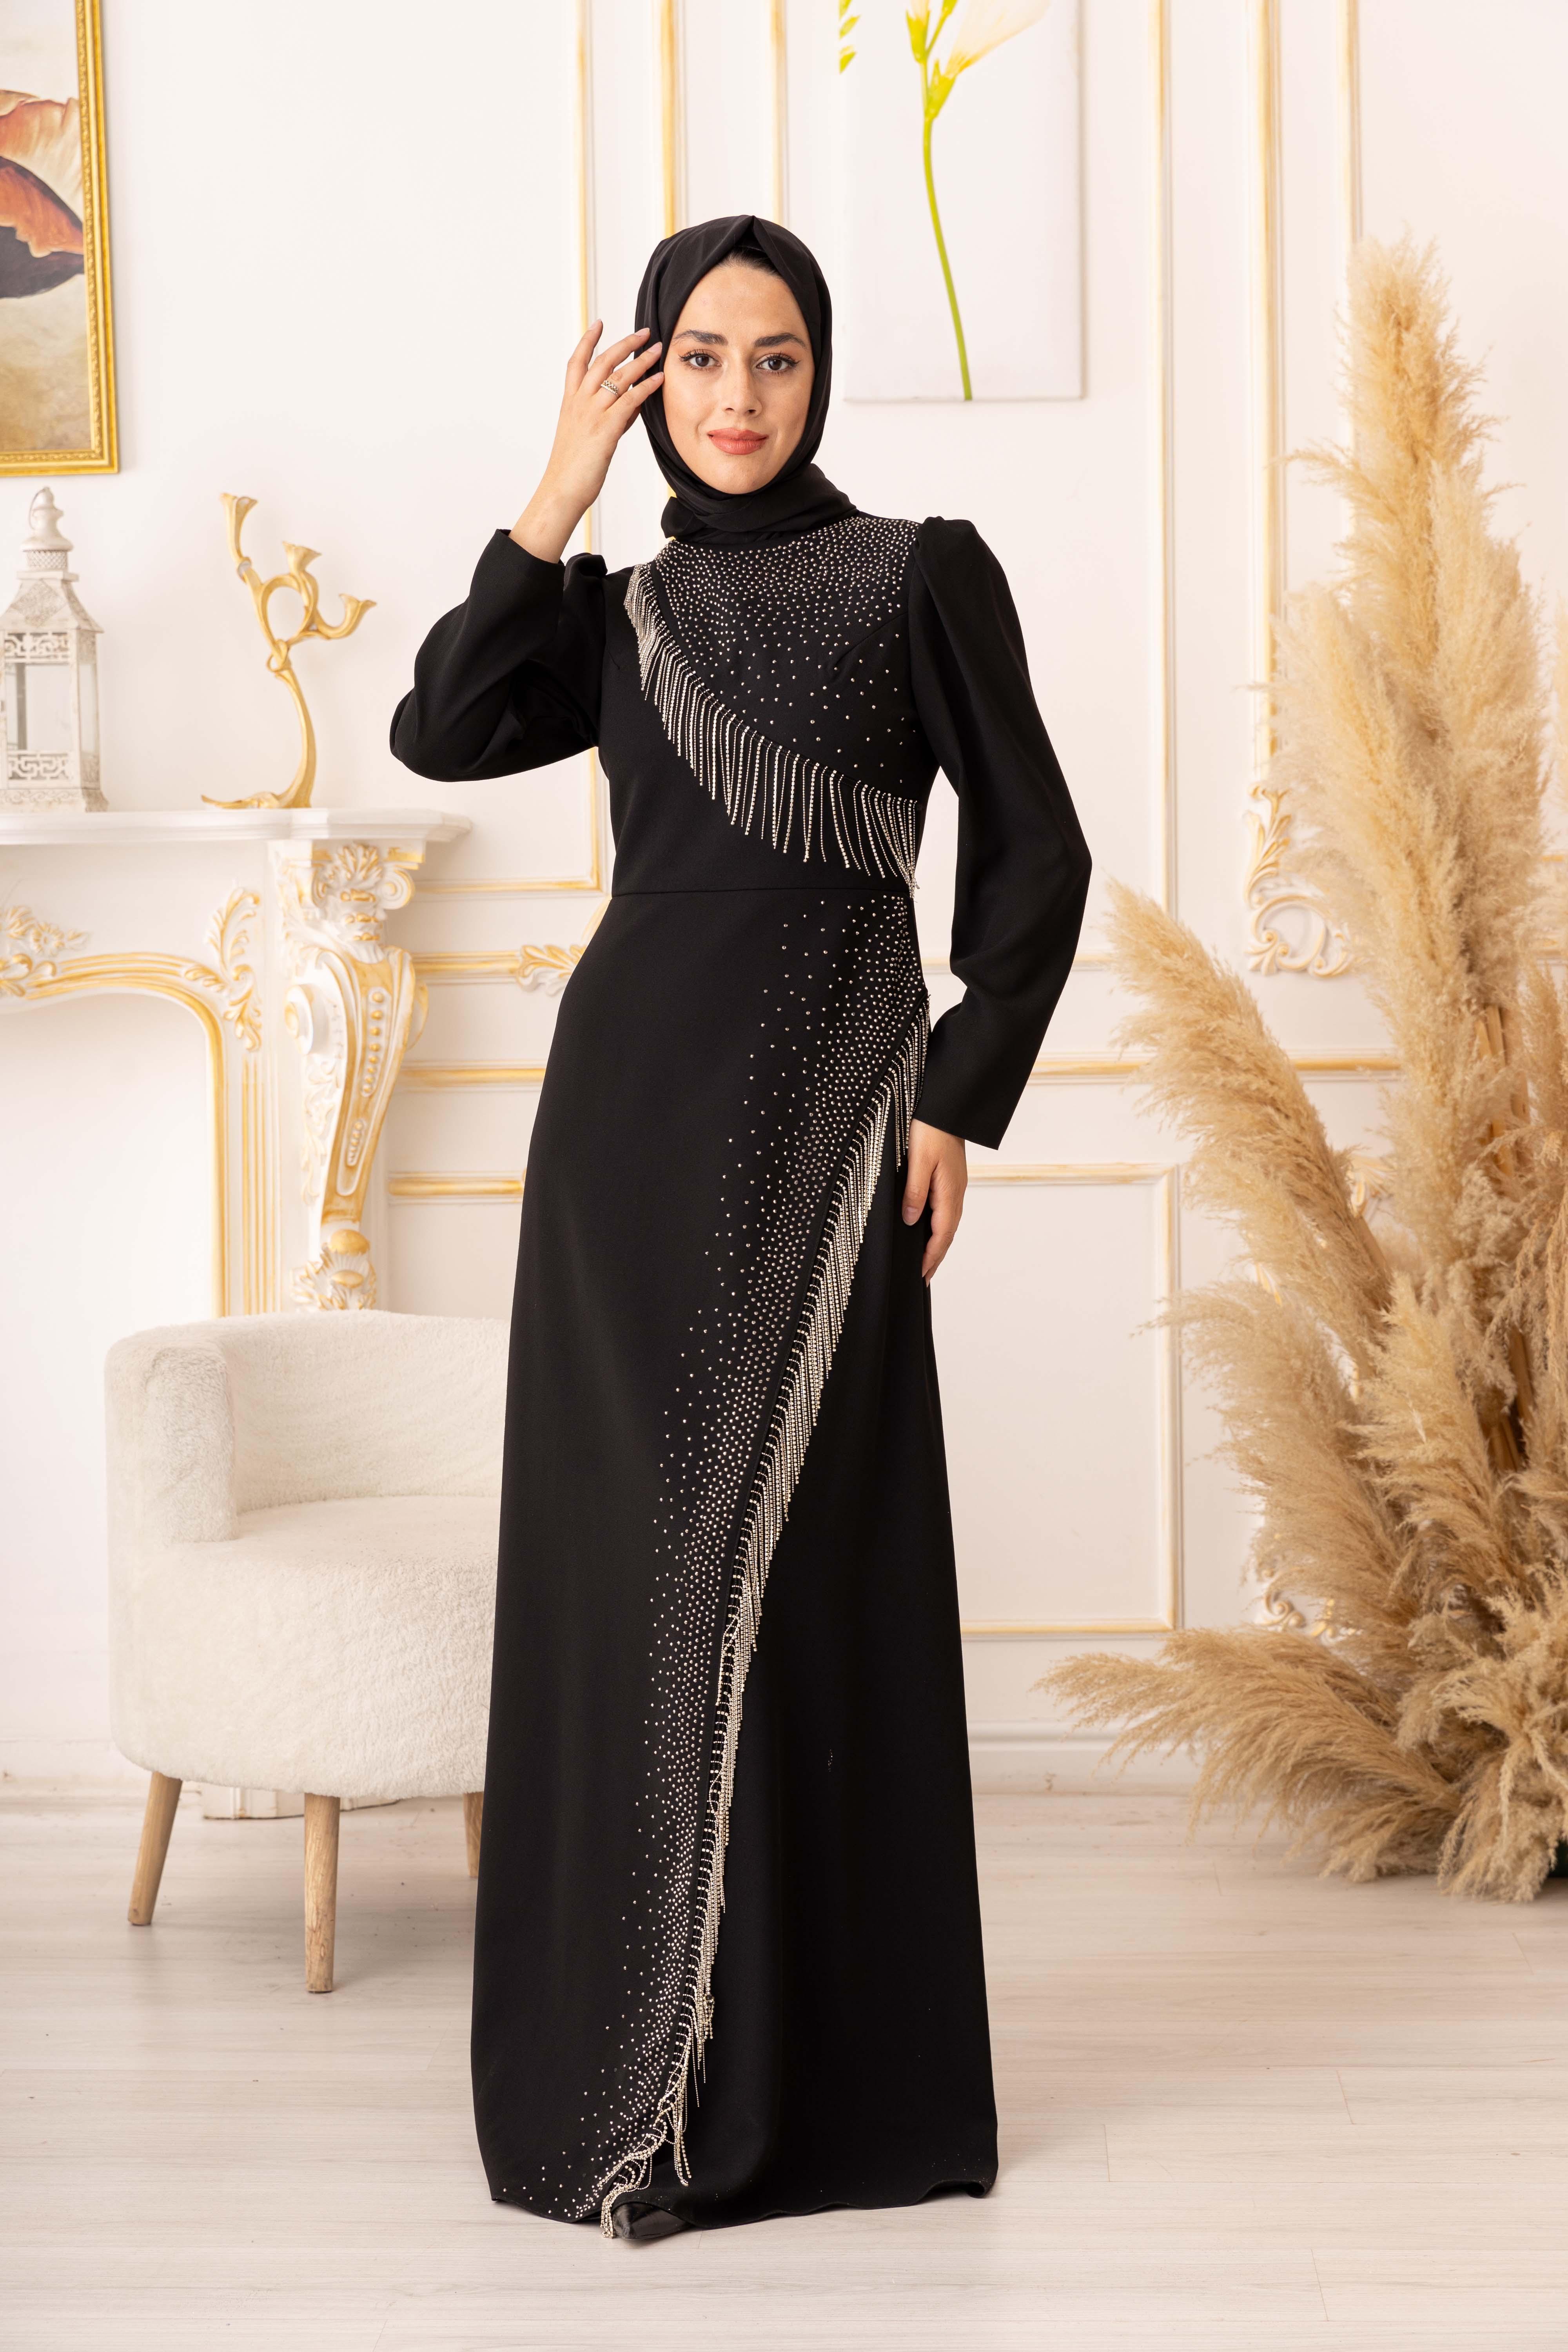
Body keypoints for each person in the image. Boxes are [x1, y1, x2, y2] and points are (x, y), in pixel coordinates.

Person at [390, 213, 1091, 2241]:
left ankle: (798, 2085)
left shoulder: (919, 572)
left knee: (803, 1573)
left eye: (775, 358)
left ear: (823, 373)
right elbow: (444, 727)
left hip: (833, 1114)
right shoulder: (616, 612)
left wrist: (958, 1092)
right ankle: (625, 2076)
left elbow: (1037, 850)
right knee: (627, 1581)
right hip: (622, 1138)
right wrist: (554, 490)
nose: (738, 395)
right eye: (698, 357)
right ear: (647, 376)